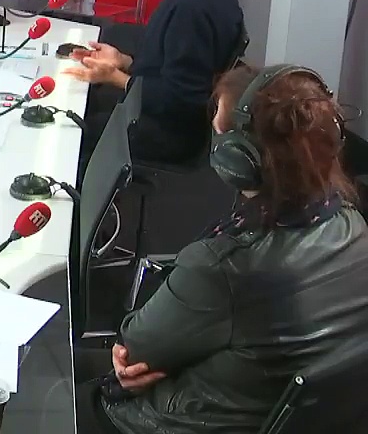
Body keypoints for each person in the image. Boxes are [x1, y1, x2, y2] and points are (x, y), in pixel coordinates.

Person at [77, 64, 368, 434]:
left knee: (41, 380)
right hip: (280, 414)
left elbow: (135, 350)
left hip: (182, 421)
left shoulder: (221, 266)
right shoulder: (354, 226)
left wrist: (143, 359)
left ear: (239, 158)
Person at [66, 0, 244, 166]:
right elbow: (174, 65)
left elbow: (181, 97)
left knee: (70, 130)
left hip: (167, 133)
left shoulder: (190, 7)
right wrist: (124, 61)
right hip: (163, 116)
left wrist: (115, 77)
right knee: (83, 106)